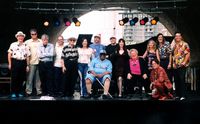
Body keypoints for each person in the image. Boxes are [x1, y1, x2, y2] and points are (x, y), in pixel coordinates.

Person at [8, 31, 31, 98]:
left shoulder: (26, 45)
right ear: (17, 37)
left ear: (23, 37)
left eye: (21, 36)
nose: (20, 37)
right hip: (15, 62)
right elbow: (9, 54)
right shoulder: (13, 44)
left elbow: (27, 56)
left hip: (23, 62)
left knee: (22, 78)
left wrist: (27, 65)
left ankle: (20, 92)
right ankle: (13, 92)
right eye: (19, 36)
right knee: (14, 78)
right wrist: (10, 64)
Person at [171, 32, 190, 100]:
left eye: (179, 36)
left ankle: (183, 95)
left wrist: (184, 62)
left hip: (182, 65)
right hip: (175, 65)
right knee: (176, 80)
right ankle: (178, 95)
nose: (177, 37)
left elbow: (187, 54)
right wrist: (172, 63)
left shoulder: (185, 44)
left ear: (181, 37)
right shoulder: (174, 45)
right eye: (176, 36)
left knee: (182, 79)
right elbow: (172, 54)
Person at [25, 28, 42, 96]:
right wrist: (27, 64)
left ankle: (39, 91)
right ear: (30, 35)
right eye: (32, 34)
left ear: (37, 34)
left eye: (35, 34)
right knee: (30, 78)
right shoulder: (27, 42)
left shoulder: (41, 41)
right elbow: (25, 52)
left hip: (39, 62)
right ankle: (28, 91)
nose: (34, 35)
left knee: (38, 78)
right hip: (31, 62)